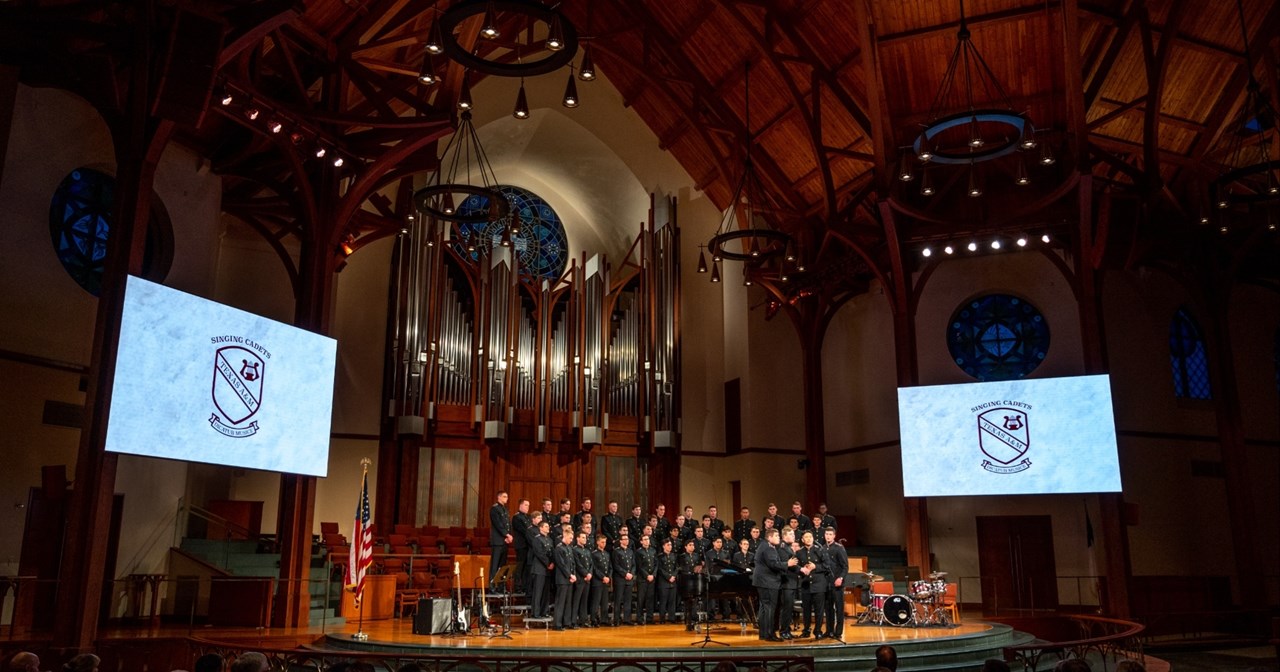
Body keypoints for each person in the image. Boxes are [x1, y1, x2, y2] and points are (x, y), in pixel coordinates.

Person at [752, 527, 794, 642]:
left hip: (762, 582)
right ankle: (770, 634)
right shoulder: (769, 548)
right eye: (776, 536)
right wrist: (787, 564)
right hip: (768, 582)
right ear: (769, 537)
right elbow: (773, 564)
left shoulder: (764, 545)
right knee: (770, 608)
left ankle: (763, 633)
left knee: (764, 608)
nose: (779, 538)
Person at [796, 529, 829, 639]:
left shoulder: (820, 550)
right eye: (806, 537)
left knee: (819, 610)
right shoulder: (799, 552)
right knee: (806, 610)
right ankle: (806, 630)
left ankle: (818, 631)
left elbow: (827, 566)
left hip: (819, 585)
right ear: (802, 540)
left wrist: (816, 567)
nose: (809, 539)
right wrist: (801, 569)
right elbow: (795, 566)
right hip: (806, 585)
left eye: (810, 537)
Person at [822, 526, 848, 640]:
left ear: (834, 536)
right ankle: (829, 631)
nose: (828, 536)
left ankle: (838, 632)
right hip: (826, 583)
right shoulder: (822, 548)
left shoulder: (839, 548)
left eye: (830, 534)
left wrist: (840, 578)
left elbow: (845, 566)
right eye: (826, 534)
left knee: (839, 608)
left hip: (837, 583)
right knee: (828, 608)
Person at [552, 527, 577, 630]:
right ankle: (557, 624)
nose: (571, 540)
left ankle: (567, 622)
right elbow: (561, 564)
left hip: (569, 579)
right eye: (570, 538)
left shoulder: (569, 548)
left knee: (568, 602)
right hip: (562, 579)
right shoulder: (559, 548)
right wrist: (569, 575)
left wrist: (573, 574)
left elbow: (572, 563)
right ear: (565, 536)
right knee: (560, 602)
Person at [777, 527, 800, 639]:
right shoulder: (782, 548)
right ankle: (783, 631)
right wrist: (802, 569)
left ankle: (787, 630)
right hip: (786, 582)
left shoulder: (787, 547)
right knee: (786, 608)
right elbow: (786, 565)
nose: (793, 536)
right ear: (784, 536)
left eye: (794, 534)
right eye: (791, 534)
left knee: (789, 608)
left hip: (791, 582)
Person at [528, 519, 554, 618]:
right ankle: (536, 613)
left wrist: (552, 562)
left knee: (546, 592)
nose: (548, 528)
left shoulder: (549, 539)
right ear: (541, 528)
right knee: (538, 591)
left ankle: (544, 611)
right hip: (539, 568)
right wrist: (548, 563)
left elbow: (552, 552)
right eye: (546, 526)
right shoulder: (537, 539)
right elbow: (539, 553)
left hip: (548, 569)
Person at [488, 491, 512, 587]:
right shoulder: (494, 509)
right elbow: (498, 524)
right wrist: (506, 535)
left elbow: (508, 524)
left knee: (502, 565)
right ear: (499, 497)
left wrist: (509, 535)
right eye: (504, 496)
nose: (507, 498)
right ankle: (492, 587)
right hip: (498, 541)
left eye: (507, 497)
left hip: (505, 541)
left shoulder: (505, 509)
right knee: (495, 565)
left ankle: (501, 586)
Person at [611, 533, 636, 624]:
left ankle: (627, 619)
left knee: (628, 600)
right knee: (618, 600)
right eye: (624, 539)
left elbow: (633, 564)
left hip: (629, 579)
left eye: (627, 539)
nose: (627, 541)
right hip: (620, 579)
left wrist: (631, 573)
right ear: (620, 541)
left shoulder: (630, 551)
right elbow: (616, 565)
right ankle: (616, 619)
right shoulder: (616, 551)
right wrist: (625, 573)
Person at [589, 534, 612, 626]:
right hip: (597, 581)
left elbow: (610, 567)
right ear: (597, 542)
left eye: (605, 542)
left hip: (605, 581)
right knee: (596, 601)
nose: (604, 544)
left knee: (605, 601)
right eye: (602, 542)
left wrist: (608, 577)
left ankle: (604, 619)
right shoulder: (594, 554)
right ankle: (593, 619)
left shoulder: (607, 554)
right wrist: (603, 577)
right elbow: (594, 568)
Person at [510, 498, 533, 592]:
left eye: (528, 505)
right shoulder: (516, 517)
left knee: (526, 567)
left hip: (528, 546)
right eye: (526, 505)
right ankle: (517, 587)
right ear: (520, 505)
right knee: (520, 567)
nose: (528, 507)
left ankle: (524, 586)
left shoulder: (527, 517)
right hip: (521, 545)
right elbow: (524, 531)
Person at [634, 533, 657, 624]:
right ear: (641, 542)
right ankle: (639, 618)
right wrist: (647, 575)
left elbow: (656, 564)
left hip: (652, 578)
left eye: (648, 539)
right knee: (641, 599)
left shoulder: (653, 550)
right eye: (645, 539)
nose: (647, 541)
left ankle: (649, 618)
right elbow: (639, 566)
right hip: (642, 579)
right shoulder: (638, 552)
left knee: (650, 599)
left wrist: (653, 575)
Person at [572, 530, 593, 627]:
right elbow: (578, 564)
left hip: (587, 579)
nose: (585, 539)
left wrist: (590, 573)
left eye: (585, 538)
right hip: (580, 579)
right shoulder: (575, 550)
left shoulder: (587, 550)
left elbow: (591, 564)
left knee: (584, 601)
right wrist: (585, 574)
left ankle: (583, 620)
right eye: (583, 537)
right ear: (577, 538)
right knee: (576, 601)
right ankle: (573, 621)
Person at [656, 537, 679, 623]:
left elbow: (677, 567)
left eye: (671, 545)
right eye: (668, 545)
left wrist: (673, 576)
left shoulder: (674, 556)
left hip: (673, 581)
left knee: (672, 601)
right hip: (663, 581)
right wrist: (668, 577)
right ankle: (662, 618)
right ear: (663, 546)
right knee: (663, 601)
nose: (670, 546)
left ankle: (671, 618)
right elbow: (660, 569)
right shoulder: (660, 556)